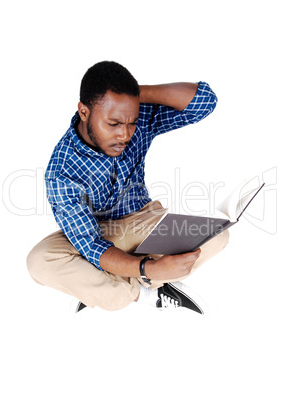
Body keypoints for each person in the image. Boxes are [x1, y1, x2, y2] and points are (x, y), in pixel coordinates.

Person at [26, 61, 229, 314]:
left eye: (130, 122)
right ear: (84, 112)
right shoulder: (61, 170)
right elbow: (91, 245)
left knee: (217, 235)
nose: (125, 134)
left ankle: (98, 286)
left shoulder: (136, 118)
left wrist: (134, 94)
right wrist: (149, 269)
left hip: (143, 221)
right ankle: (145, 291)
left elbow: (203, 102)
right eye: (113, 124)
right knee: (40, 261)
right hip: (100, 232)